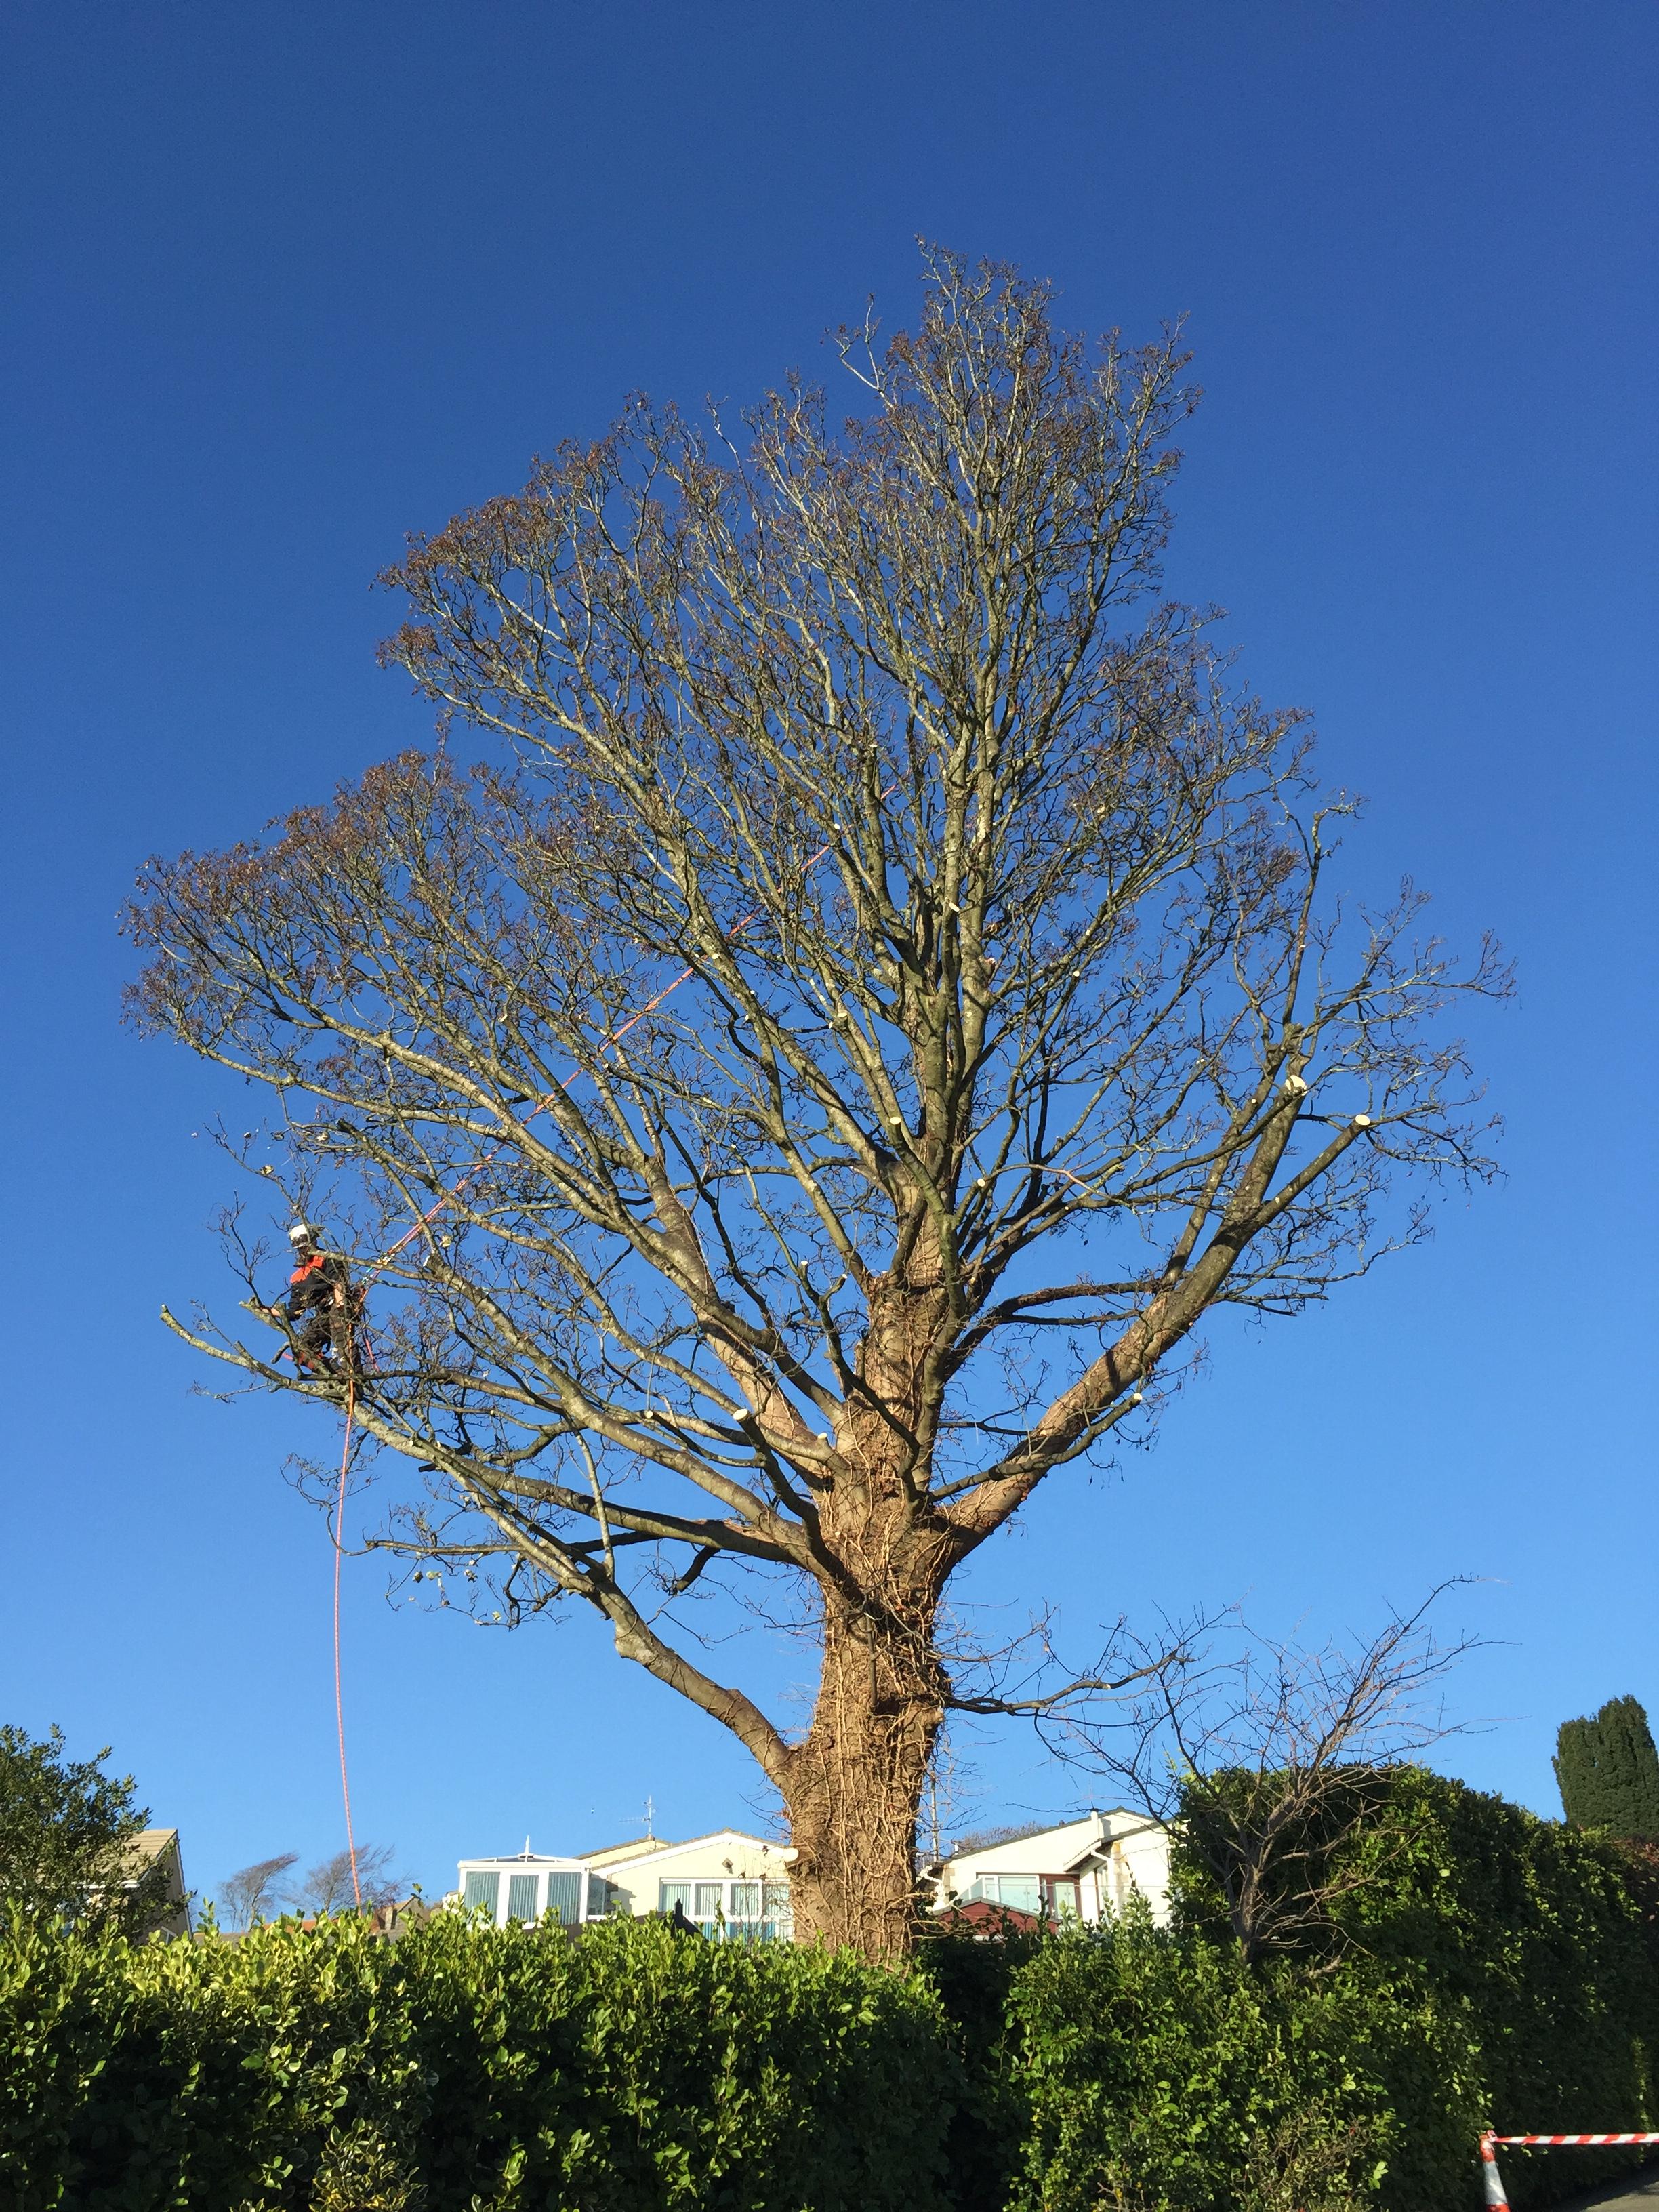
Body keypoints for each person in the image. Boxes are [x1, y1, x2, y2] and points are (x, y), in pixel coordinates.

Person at [280, 1222, 357, 1374]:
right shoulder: (298, 1277)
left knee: (340, 1334)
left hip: (338, 1303)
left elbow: (338, 1281)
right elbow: (295, 1311)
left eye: (306, 1246)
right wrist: (265, 1310)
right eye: (301, 1248)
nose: (304, 1250)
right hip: (323, 1313)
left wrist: (341, 1305)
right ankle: (335, 1375)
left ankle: (353, 1374)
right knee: (302, 1349)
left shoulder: (327, 1258)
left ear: (314, 1241)